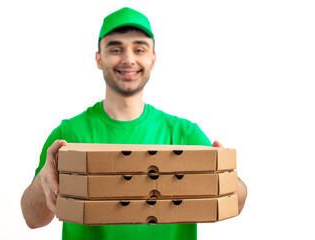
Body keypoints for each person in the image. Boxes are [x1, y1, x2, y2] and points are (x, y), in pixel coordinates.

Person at [21, 7, 247, 240]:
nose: (128, 59)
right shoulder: (68, 136)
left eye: (139, 49)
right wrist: (43, 183)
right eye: (116, 49)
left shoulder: (185, 134)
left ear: (153, 58)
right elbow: (32, 218)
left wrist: (227, 176)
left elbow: (237, 203)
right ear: (99, 58)